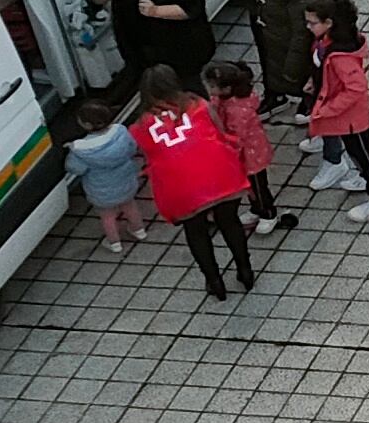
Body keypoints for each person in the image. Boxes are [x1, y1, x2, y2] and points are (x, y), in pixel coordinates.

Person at [137, 75, 255, 300]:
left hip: (181, 186)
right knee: (230, 222)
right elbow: (221, 133)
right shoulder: (198, 105)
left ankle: (214, 281)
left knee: (196, 232)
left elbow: (150, 156)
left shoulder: (142, 125)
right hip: (218, 173)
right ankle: (245, 270)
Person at [244, 0, 337, 122]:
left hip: (290, 42)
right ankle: (282, 97)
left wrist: (291, 70)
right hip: (278, 36)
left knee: (305, 76)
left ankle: (311, 105)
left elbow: (302, 32)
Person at [305, 0, 369, 208]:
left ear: (329, 23)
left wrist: (330, 108)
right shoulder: (328, 42)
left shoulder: (341, 55)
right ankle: (367, 182)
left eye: (312, 22)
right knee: (357, 154)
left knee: (366, 156)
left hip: (351, 119)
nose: (308, 26)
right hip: (344, 116)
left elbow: (356, 87)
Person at [209, 60, 294, 234]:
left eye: (212, 86)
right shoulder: (229, 101)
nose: (210, 89)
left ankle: (268, 213)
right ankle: (257, 209)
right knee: (250, 186)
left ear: (226, 88)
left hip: (251, 154)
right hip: (247, 152)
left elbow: (237, 136)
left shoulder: (238, 110)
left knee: (258, 186)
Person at [63, 90, 150, 253]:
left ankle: (114, 242)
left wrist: (72, 149)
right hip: (126, 182)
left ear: (87, 125)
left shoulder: (82, 149)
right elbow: (132, 148)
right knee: (130, 206)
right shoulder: (121, 132)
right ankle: (139, 230)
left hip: (101, 191)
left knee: (107, 216)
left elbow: (75, 168)